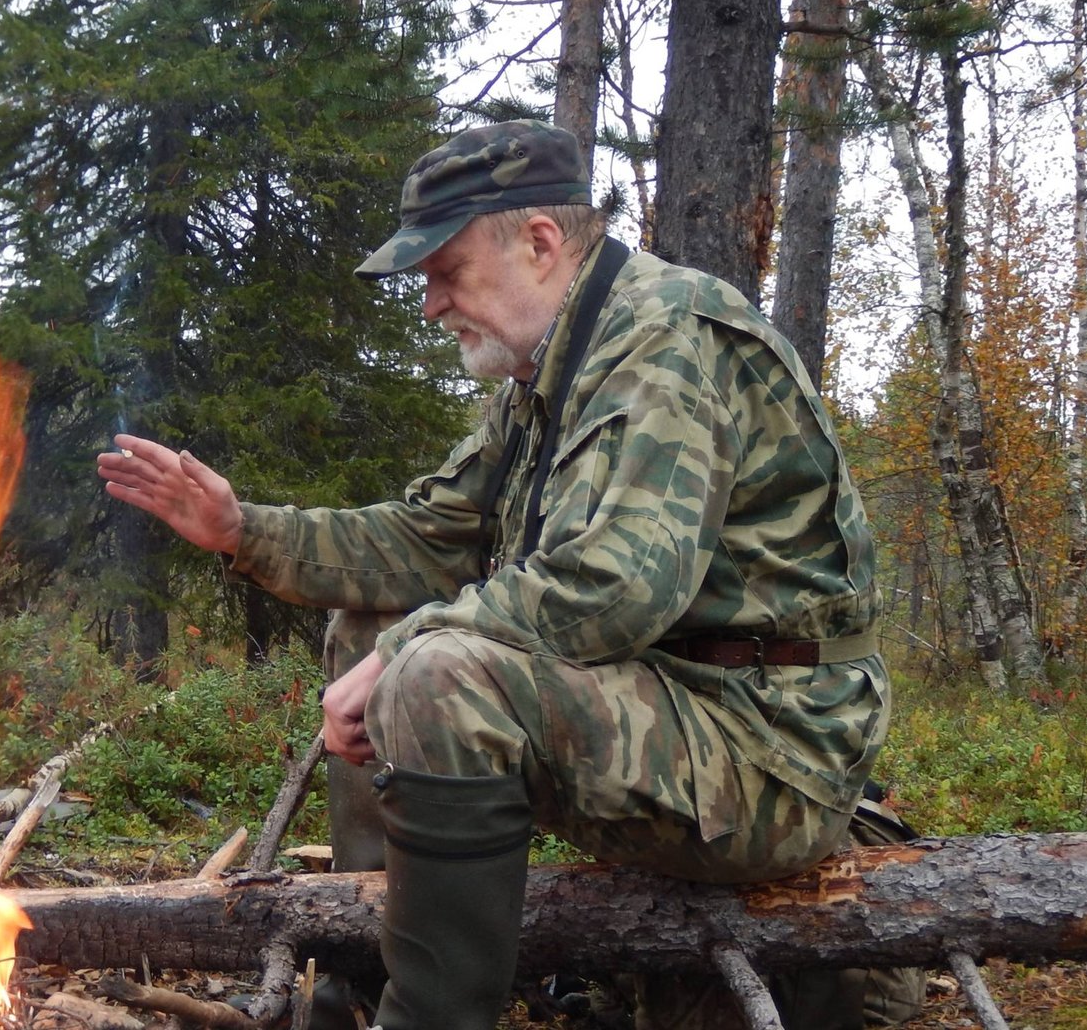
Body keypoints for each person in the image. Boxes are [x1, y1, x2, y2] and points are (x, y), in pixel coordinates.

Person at [96, 120, 892, 1030]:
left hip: (765, 747)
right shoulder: (551, 370)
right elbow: (426, 540)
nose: (431, 304)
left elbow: (615, 588)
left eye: (445, 272)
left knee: (431, 669)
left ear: (540, 243)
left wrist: (411, 651)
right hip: (672, 709)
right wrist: (243, 530)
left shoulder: (663, 340)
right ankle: (361, 976)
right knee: (375, 627)